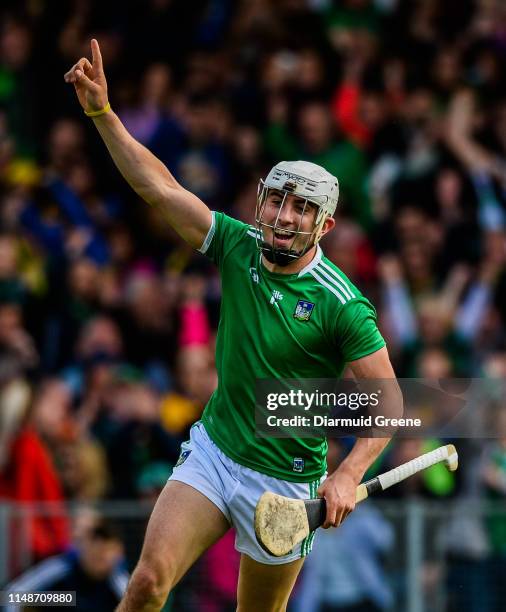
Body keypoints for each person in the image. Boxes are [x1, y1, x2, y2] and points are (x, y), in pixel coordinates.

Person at [64, 40, 399, 612]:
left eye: (301, 209)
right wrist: (103, 113)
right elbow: (160, 186)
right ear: (261, 203)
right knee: (146, 583)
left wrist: (347, 474)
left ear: (325, 224)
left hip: (287, 485)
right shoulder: (237, 246)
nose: (283, 217)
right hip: (216, 454)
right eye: (277, 201)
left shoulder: (341, 303)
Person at [4, 518, 128, 611]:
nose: (103, 559)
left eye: (108, 554)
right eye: (97, 554)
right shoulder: (61, 569)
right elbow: (13, 596)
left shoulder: (119, 584)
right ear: (84, 547)